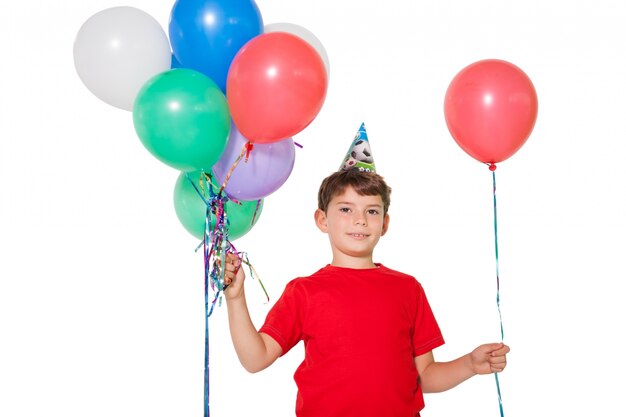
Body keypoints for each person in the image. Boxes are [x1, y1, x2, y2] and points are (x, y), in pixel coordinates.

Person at [222, 124, 510, 417]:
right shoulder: (305, 291)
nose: (360, 220)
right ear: (322, 220)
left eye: (372, 211)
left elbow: (424, 376)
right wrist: (235, 298)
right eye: (346, 209)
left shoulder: (407, 289)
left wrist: (470, 365)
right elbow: (255, 358)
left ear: (385, 223)